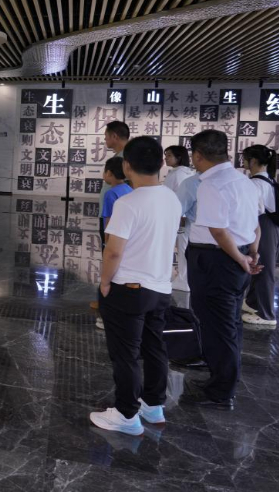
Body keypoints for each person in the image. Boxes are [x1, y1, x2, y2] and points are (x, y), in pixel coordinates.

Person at [90, 136, 181, 435]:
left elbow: (113, 251)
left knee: (125, 354)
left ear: (127, 166)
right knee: (154, 348)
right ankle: (153, 405)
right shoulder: (171, 199)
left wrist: (105, 282)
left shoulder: (128, 203)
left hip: (128, 288)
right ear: (161, 163)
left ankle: (126, 413)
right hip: (160, 288)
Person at [181, 130, 262, 410]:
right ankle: (222, 379)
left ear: (197, 155)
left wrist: (240, 259)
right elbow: (255, 225)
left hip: (217, 261)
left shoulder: (211, 184)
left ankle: (221, 391)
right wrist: (251, 253)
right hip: (236, 257)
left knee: (218, 326)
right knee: (230, 323)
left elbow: (218, 231)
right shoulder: (245, 181)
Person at [242, 145, 279, 327]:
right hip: (273, 227)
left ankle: (267, 315)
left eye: (245, 159)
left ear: (253, 161)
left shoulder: (254, 183)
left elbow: (254, 212)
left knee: (263, 269)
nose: (243, 162)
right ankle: (252, 303)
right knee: (260, 266)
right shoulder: (269, 180)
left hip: (263, 226)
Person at [93, 121, 131, 311]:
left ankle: (108, 298)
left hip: (115, 218)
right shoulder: (122, 156)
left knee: (111, 256)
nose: (105, 140)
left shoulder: (127, 157)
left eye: (106, 136)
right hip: (113, 215)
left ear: (115, 136)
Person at [163, 146, 196, 292]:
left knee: (182, 248)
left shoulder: (181, 174)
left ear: (179, 157)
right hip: (175, 216)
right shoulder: (176, 172)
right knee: (178, 247)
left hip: (181, 217)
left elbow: (183, 198)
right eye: (166, 155)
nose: (166, 158)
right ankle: (180, 277)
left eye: (169, 155)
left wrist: (181, 217)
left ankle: (184, 279)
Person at [101, 157, 132, 241]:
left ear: (108, 173)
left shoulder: (110, 193)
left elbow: (108, 219)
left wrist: (106, 242)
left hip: (114, 237)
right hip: (127, 234)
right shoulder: (129, 189)